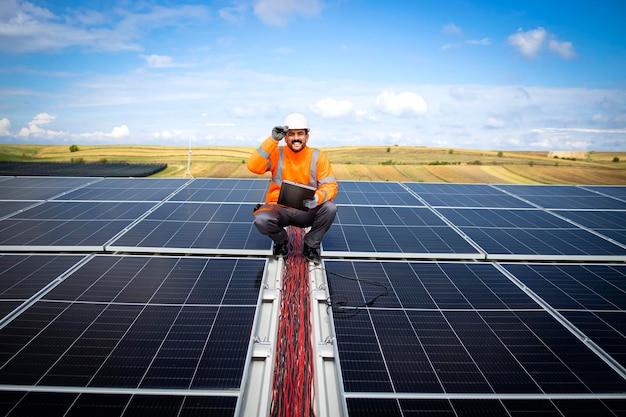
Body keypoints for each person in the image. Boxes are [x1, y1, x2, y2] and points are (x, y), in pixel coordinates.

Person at [247, 113, 338, 264]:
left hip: (306, 211)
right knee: (261, 219)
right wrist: (272, 140)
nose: (296, 138)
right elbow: (253, 166)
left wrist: (317, 198)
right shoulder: (277, 153)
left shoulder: (318, 156)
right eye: (291, 134)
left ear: (307, 136)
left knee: (330, 208)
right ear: (285, 137)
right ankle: (281, 241)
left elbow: (331, 186)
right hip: (280, 209)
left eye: (300, 134)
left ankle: (310, 245)